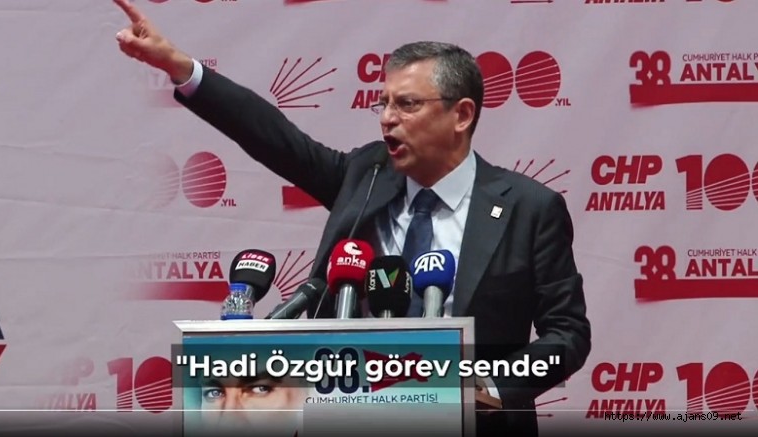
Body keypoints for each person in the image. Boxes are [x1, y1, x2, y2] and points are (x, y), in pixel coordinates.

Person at [112, 1, 591, 435]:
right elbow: (273, 137)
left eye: (407, 104)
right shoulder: (366, 175)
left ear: (461, 115)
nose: (386, 118)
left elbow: (567, 333)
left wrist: (488, 386)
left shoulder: (529, 208)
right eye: (384, 103)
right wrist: (180, 66)